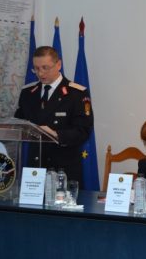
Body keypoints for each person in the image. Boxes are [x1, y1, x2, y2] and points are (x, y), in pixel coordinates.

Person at [15, 46, 93, 187]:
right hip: (35, 169)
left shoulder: (76, 93)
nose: (40, 73)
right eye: (36, 68)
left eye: (45, 68)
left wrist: (56, 134)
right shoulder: (28, 92)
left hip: (63, 170)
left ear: (58, 65)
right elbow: (18, 123)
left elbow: (83, 131)